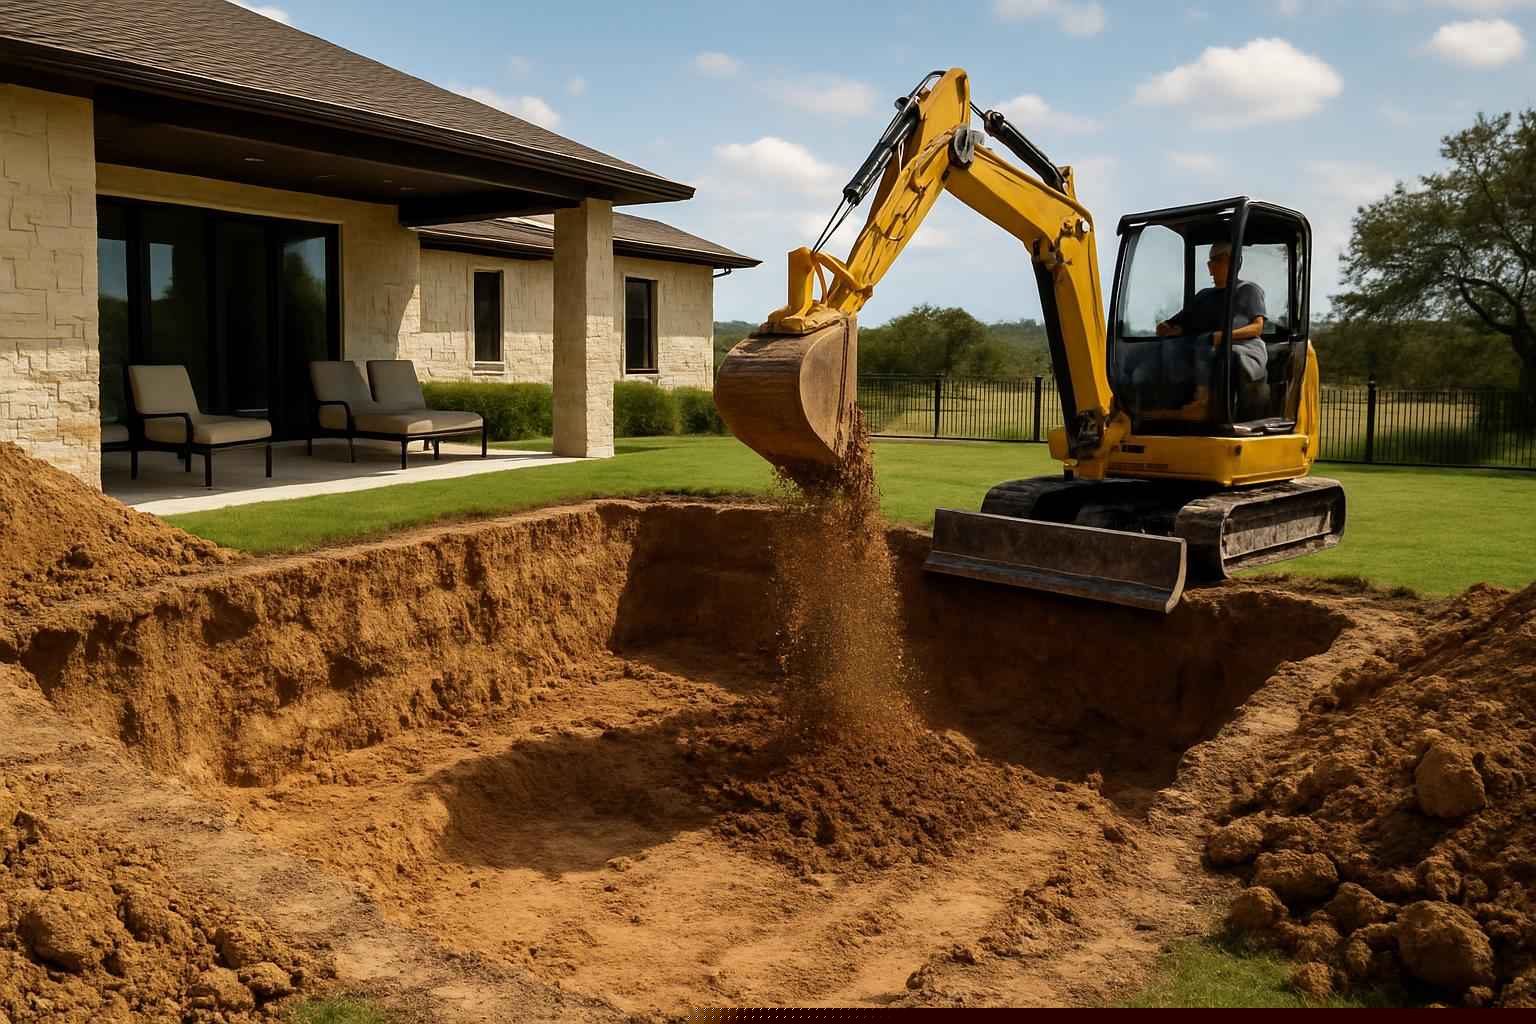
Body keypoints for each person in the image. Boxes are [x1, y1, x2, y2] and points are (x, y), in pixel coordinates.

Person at [1155, 241, 1268, 386]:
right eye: (1210, 263)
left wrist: (1221, 337)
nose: (1211, 269)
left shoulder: (1248, 290)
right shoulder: (1204, 296)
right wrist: (1167, 328)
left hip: (1242, 350)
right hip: (1205, 350)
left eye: (1216, 261)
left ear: (1232, 261)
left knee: (1224, 360)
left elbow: (1257, 327)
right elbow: (1178, 324)